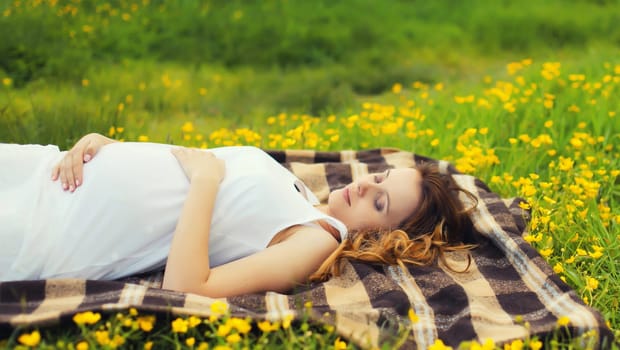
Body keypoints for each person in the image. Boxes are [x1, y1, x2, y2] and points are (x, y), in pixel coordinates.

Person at [0, 133, 476, 297]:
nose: (366, 184)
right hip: (54, 174)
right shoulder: (298, 193)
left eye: (380, 202)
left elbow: (188, 287)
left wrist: (206, 179)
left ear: (384, 237)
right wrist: (106, 147)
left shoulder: (318, 239)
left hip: (55, 229)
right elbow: (178, 165)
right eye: (379, 177)